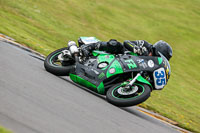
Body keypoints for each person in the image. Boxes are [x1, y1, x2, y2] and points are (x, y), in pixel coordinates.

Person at [79, 38, 173, 61]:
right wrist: (136, 48)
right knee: (115, 44)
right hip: (121, 53)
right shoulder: (145, 44)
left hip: (125, 66)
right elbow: (126, 42)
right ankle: (88, 47)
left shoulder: (152, 63)